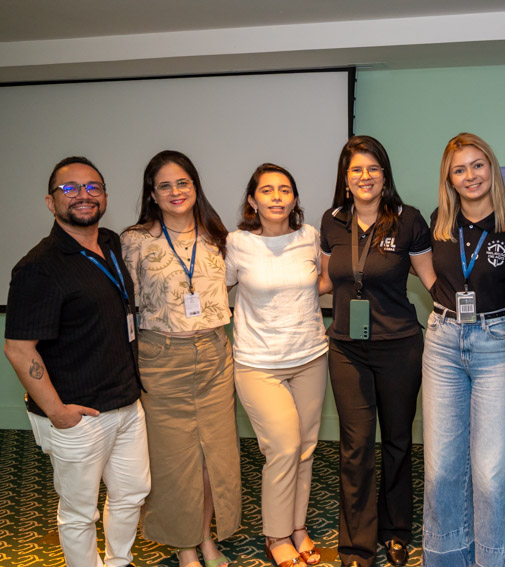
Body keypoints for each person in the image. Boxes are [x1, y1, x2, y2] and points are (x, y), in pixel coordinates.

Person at [4, 156, 150, 567]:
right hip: (79, 414)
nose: (83, 195)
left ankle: (119, 561)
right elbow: (18, 348)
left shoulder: (110, 243)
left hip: (127, 403)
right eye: (69, 188)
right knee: (79, 512)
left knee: (132, 494)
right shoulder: (38, 268)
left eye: (92, 187)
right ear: (50, 202)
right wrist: (58, 412)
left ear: (105, 196)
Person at [318, 135, 436, 567]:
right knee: (356, 447)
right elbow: (325, 281)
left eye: (373, 168)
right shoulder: (332, 221)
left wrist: (478, 303)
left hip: (399, 346)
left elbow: (431, 280)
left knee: (398, 441)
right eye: (356, 170)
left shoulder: (408, 220)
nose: (365, 176)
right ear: (345, 177)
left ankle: (396, 530)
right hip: (346, 349)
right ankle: (356, 545)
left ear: (385, 175)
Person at [121, 150, 240, 567]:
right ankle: (185, 545)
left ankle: (205, 537)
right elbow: (125, 307)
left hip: (215, 355)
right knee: (174, 461)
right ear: (152, 194)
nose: (175, 191)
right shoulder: (135, 240)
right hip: (161, 358)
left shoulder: (217, 236)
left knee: (213, 458)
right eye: (165, 185)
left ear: (195, 187)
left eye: (183, 183)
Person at [422, 132, 505, 566]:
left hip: (497, 346)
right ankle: (447, 558)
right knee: (441, 469)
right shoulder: (439, 222)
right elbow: (431, 274)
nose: (470, 176)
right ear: (449, 178)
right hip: (443, 344)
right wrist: (444, 301)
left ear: (492, 168)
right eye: (459, 169)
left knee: (491, 473)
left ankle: (493, 559)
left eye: (477, 165)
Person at [225, 163, 328, 567]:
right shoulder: (237, 243)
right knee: (283, 447)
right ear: (252, 200)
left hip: (309, 356)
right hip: (257, 363)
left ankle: (297, 528)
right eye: (267, 190)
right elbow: (219, 289)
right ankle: (277, 535)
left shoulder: (309, 237)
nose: (276, 197)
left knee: (305, 449)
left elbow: (322, 282)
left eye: (284, 190)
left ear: (295, 199)